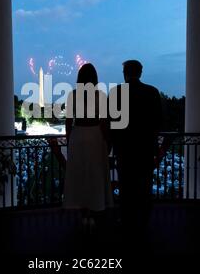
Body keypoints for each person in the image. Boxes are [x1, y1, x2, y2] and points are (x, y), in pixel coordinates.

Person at [109, 60, 163, 244]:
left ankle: (126, 221)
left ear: (125, 73)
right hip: (145, 148)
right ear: (140, 73)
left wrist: (112, 146)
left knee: (126, 187)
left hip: (124, 148)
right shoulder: (152, 92)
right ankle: (143, 222)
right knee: (144, 186)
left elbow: (112, 123)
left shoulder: (117, 92)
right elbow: (157, 122)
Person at [63, 63, 113, 233]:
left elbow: (68, 122)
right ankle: (93, 211)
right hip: (95, 136)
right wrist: (106, 141)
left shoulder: (72, 95)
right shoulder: (101, 96)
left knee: (80, 175)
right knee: (94, 175)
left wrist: (70, 141)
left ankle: (83, 213)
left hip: (78, 136)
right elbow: (105, 121)